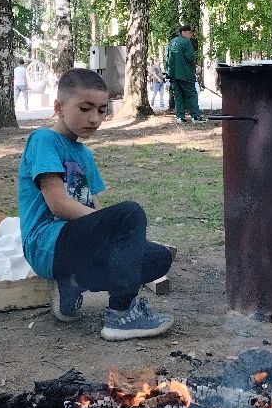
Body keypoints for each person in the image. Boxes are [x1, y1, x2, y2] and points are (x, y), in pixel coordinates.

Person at [17, 67, 174, 340]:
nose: (94, 119)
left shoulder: (85, 155)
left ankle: (72, 282)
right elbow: (59, 205)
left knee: (157, 258)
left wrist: (118, 239)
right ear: (59, 107)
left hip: (77, 246)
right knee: (130, 213)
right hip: (48, 243)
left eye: (101, 110)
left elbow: (96, 211)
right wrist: (116, 228)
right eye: (85, 108)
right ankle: (121, 315)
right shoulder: (44, 140)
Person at [165, 24, 203, 124]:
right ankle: (195, 117)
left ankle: (180, 117)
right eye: (190, 32)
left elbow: (167, 58)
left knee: (178, 95)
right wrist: (195, 68)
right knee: (192, 94)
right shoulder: (186, 42)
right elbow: (190, 58)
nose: (191, 35)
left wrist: (168, 72)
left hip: (173, 74)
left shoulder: (172, 42)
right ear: (184, 32)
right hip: (185, 74)